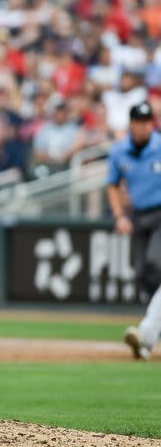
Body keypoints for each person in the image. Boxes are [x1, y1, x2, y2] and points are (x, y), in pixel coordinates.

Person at [107, 101, 161, 360]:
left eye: (147, 121)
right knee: (143, 273)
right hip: (139, 215)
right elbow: (112, 185)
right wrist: (119, 215)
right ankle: (152, 328)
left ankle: (149, 331)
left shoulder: (160, 146)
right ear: (131, 124)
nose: (143, 127)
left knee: (155, 261)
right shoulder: (119, 152)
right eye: (139, 122)